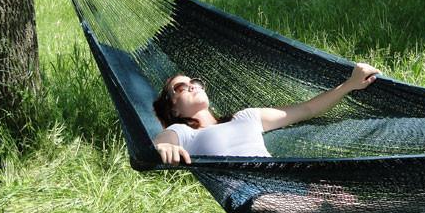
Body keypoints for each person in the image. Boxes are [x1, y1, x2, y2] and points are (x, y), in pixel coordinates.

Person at [152, 63, 381, 164]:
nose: (192, 86)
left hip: (280, 179)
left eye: (195, 82)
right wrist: (163, 148)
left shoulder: (247, 117)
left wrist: (350, 84)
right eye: (180, 87)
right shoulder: (183, 132)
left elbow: (307, 109)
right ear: (173, 109)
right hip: (250, 195)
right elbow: (161, 143)